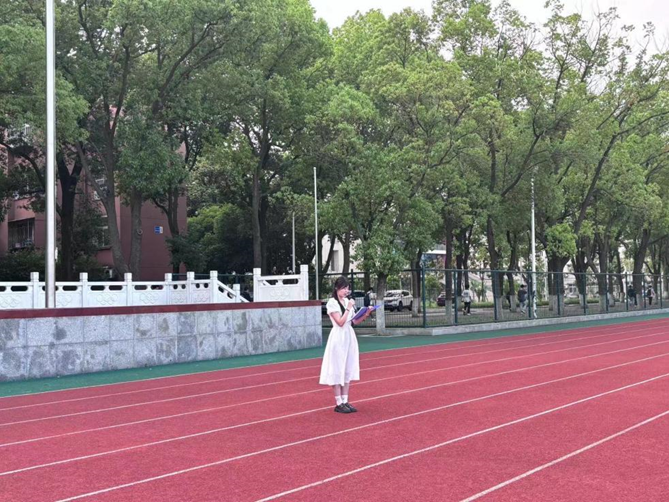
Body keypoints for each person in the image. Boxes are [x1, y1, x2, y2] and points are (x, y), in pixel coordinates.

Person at [319, 276, 372, 414]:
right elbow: (340, 322)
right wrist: (348, 308)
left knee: (348, 367)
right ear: (337, 288)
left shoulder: (347, 301)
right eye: (344, 288)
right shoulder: (332, 303)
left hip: (349, 336)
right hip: (338, 337)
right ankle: (338, 402)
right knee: (337, 367)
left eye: (347, 288)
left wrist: (366, 314)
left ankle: (345, 400)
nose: (346, 291)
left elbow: (353, 322)